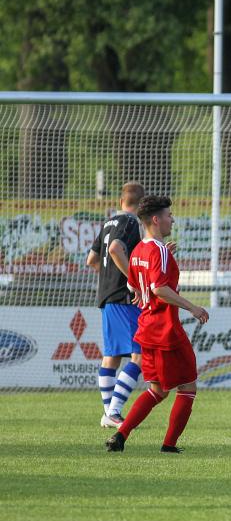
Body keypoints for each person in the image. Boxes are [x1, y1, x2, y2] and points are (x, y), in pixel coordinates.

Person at [105, 195, 209, 454]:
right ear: (156, 219)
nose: (171, 219)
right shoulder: (158, 250)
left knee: (158, 390)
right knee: (188, 387)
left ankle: (120, 435)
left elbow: (133, 286)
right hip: (166, 330)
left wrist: (164, 258)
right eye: (168, 215)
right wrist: (193, 307)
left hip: (146, 329)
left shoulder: (140, 249)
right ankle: (169, 445)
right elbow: (159, 288)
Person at [86, 182, 145, 428]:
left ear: (121, 202)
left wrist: (109, 277)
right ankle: (114, 411)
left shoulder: (108, 223)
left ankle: (109, 413)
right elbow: (114, 249)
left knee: (111, 357)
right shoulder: (132, 223)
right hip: (124, 297)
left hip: (106, 296)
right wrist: (131, 280)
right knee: (140, 355)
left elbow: (91, 260)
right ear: (141, 205)